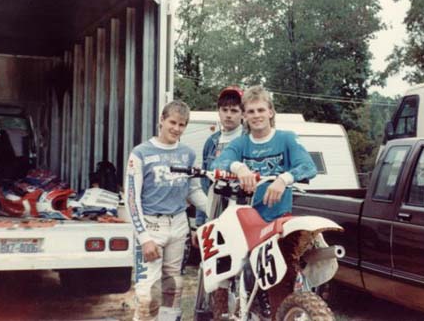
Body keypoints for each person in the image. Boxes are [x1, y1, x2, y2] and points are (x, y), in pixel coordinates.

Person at [212, 85, 317, 319]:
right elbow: (217, 164)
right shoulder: (241, 144)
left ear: (270, 111)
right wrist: (239, 167)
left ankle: (280, 314)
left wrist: (284, 178)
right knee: (231, 267)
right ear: (245, 116)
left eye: (261, 109)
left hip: (278, 221)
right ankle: (230, 308)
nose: (256, 115)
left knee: (280, 278)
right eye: (250, 111)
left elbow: (309, 166)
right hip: (247, 222)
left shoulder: (285, 139)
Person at [125, 100, 207, 321]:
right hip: (151, 224)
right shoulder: (140, 152)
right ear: (161, 120)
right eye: (172, 122)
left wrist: (214, 210)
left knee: (173, 287)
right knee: (147, 292)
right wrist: (144, 238)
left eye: (182, 125)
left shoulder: (188, 153)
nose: (176, 129)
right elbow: (131, 200)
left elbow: (193, 190)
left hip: (178, 223)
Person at [195, 85, 244, 320]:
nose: (229, 114)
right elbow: (203, 184)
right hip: (215, 211)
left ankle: (244, 309)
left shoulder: (248, 139)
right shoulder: (212, 142)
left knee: (242, 267)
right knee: (215, 268)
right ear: (218, 111)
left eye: (234, 110)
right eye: (224, 109)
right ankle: (217, 312)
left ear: (242, 113)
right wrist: (200, 223)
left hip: (241, 214)